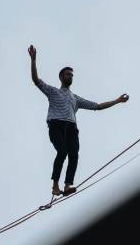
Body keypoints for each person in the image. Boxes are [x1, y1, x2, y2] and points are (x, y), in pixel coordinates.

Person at [28, 44, 129, 196]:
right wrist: (33, 60)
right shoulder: (53, 91)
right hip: (56, 125)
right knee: (62, 151)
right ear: (61, 77)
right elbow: (36, 80)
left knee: (74, 154)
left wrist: (117, 100)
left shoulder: (76, 99)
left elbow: (98, 106)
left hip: (71, 128)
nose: (71, 77)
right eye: (68, 74)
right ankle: (55, 186)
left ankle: (67, 185)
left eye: (72, 75)